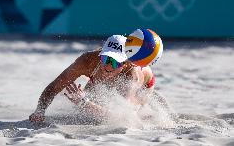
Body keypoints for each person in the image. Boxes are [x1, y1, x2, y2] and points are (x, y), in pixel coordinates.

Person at [29, 35, 157, 122]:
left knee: (138, 114)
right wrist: (39, 111)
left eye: (115, 62)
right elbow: (54, 86)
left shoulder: (132, 75)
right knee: (86, 107)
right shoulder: (88, 61)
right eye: (106, 58)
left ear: (125, 63)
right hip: (98, 79)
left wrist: (84, 102)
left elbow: (121, 118)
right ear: (101, 54)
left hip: (144, 86)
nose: (107, 66)